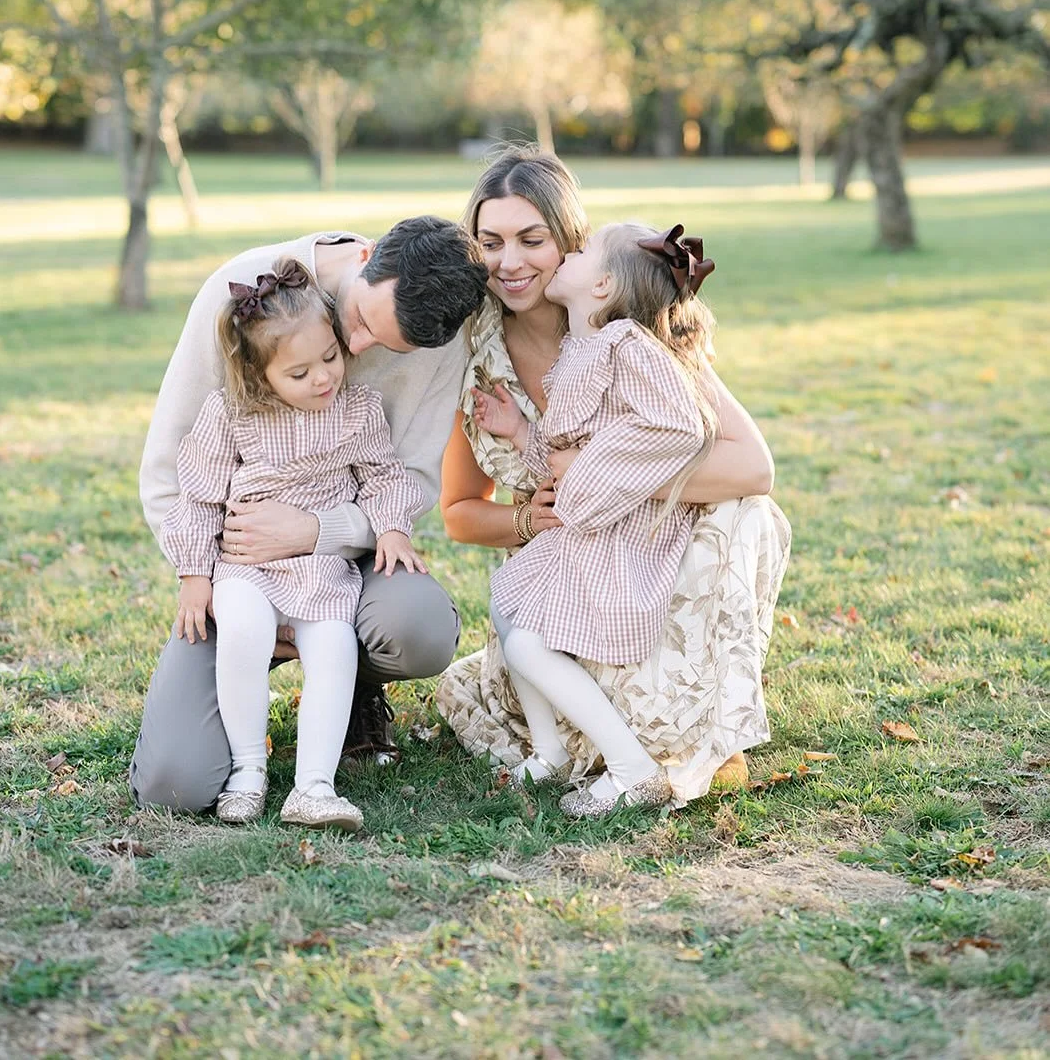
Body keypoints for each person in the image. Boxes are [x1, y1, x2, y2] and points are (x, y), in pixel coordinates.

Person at [435, 148, 791, 805]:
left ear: (572, 246)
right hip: (560, 567)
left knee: (747, 512)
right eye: (490, 242)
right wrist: (528, 508)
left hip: (633, 556)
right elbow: (457, 510)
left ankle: (676, 721)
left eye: (530, 239)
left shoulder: (632, 338)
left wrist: (603, 475)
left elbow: (752, 466)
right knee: (520, 630)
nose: (508, 262)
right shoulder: (474, 352)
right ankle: (575, 744)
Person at [130, 217, 489, 812]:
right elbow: (172, 478)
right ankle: (245, 751)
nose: (354, 353)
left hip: (341, 565)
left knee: (417, 628)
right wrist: (205, 577)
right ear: (368, 258)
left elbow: (410, 480)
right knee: (175, 785)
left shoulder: (434, 338)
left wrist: (318, 534)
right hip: (237, 567)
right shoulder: (242, 294)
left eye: (388, 347)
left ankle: (353, 693)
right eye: (365, 323)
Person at [162, 259, 425, 830]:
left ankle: (313, 787)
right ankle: (248, 771)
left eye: (330, 358)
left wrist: (392, 526)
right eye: (299, 373)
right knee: (244, 635)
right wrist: (194, 574)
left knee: (334, 652)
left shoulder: (357, 411)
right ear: (261, 376)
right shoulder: (232, 412)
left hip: (322, 571)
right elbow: (201, 495)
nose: (324, 378)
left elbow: (383, 476)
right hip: (245, 569)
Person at [471, 221, 722, 815]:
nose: (568, 253)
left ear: (602, 284)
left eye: (579, 251)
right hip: (588, 529)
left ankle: (632, 766)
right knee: (507, 605)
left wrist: (591, 467)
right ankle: (552, 752)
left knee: (529, 644)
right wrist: (521, 431)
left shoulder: (629, 345)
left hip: (621, 537)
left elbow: (679, 426)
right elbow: (563, 451)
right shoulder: (582, 352)